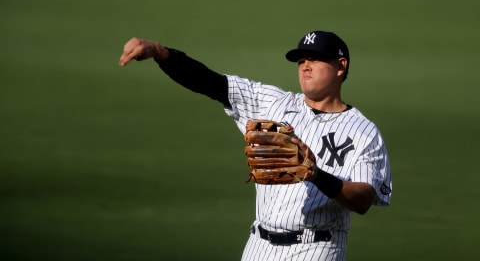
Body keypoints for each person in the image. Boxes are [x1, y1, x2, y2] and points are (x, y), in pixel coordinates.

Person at [118, 30, 392, 261]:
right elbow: (210, 83)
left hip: (317, 247)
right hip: (259, 246)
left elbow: (363, 200)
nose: (305, 66)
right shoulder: (273, 103)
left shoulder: (363, 132)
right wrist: (159, 52)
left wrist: (315, 174)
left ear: (341, 66)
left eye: (316, 59)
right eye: (301, 61)